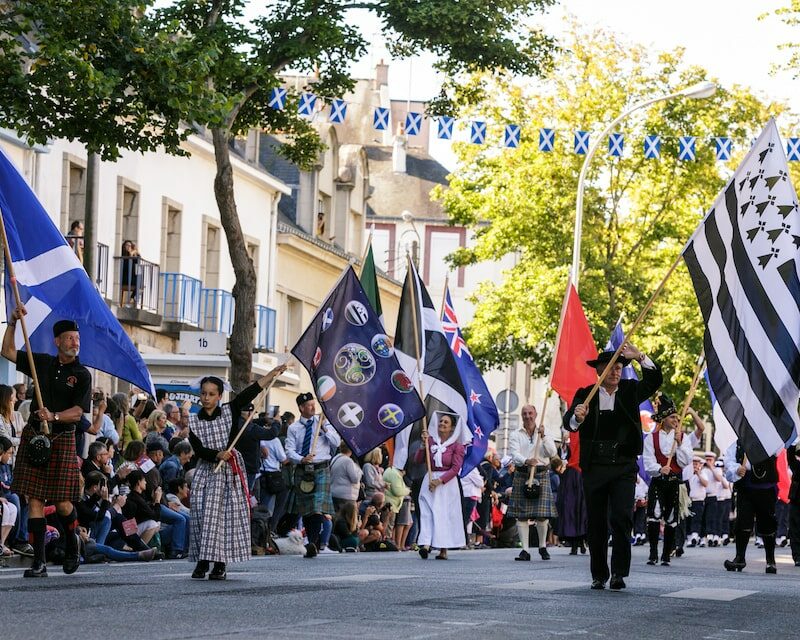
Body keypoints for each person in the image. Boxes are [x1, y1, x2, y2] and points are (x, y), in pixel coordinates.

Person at [563, 345, 662, 591]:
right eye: (611, 368)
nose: (616, 373)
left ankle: (618, 572)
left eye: (619, 368)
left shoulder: (630, 391)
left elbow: (654, 380)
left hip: (623, 466)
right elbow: (570, 424)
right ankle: (598, 574)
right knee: (596, 522)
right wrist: (578, 417)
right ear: (599, 371)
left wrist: (639, 356)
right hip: (595, 467)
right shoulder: (586, 394)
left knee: (621, 518)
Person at [1, 310, 92, 577]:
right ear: (57, 342)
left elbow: (78, 412)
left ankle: (72, 541)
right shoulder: (40, 363)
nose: (75, 342)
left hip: (62, 438)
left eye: (77, 338)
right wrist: (13, 322)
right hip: (36, 438)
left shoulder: (82, 374)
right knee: (35, 500)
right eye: (70, 338)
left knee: (64, 503)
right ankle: (38, 562)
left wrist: (53, 415)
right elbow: (6, 351)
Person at [187, 364, 286, 580]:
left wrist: (270, 375)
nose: (206, 398)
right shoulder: (194, 421)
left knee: (221, 518)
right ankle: (203, 560)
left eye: (211, 394)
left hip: (228, 473)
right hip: (207, 470)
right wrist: (216, 454)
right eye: (203, 393)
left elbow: (250, 392)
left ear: (220, 396)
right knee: (203, 516)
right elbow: (198, 449)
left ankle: (220, 564)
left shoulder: (230, 410)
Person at [285, 391, 341, 559]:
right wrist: (301, 459)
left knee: (317, 508)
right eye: (308, 405)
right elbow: (289, 450)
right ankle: (312, 541)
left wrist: (324, 428)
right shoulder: (293, 428)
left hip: (321, 468)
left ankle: (312, 542)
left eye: (313, 404)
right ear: (301, 408)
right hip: (304, 469)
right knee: (307, 509)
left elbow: (337, 442)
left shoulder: (323, 423)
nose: (312, 407)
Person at [642, 395, 693, 566]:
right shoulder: (651, 438)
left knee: (671, 518)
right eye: (672, 417)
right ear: (663, 419)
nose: (676, 420)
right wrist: (658, 469)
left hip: (674, 483)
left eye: (677, 417)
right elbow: (648, 461)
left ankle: (666, 554)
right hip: (658, 481)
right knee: (654, 516)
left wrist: (678, 445)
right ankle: (653, 553)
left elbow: (685, 461)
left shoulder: (682, 438)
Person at [508, 404, 557, 562]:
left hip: (541, 474)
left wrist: (543, 437)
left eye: (530, 413)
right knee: (522, 515)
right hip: (523, 473)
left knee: (542, 515)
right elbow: (514, 454)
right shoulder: (516, 434)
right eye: (524, 413)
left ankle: (542, 546)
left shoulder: (544, 432)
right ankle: (525, 550)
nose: (527, 416)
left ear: (535, 414)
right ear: (521, 416)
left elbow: (552, 452)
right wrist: (527, 460)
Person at [415, 412, 466, 560]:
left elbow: (456, 468)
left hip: (446, 484)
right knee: (426, 510)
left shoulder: (457, 446)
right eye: (441, 422)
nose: (442, 424)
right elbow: (418, 460)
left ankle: (443, 548)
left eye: (446, 423)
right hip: (430, 479)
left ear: (451, 428)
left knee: (443, 514)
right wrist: (422, 445)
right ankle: (425, 543)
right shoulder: (430, 441)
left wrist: (440, 481)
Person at [723, 442, 780, 574]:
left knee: (768, 524)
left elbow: (778, 448)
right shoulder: (738, 444)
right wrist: (736, 469)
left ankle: (770, 560)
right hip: (745, 488)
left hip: (766, 488)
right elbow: (729, 461)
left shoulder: (770, 440)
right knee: (742, 522)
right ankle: (740, 558)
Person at [383, 465, 412, 551]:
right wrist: (408, 490)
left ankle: (391, 543)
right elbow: (398, 491)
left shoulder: (390, 471)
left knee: (391, 524)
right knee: (390, 524)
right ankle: (387, 543)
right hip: (391, 503)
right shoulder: (395, 474)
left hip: (393, 503)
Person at [330, 441, 363, 512]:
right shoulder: (348, 461)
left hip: (334, 493)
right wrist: (359, 471)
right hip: (347, 495)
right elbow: (355, 479)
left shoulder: (335, 459)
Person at [686, 455, 708, 547]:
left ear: (700, 465)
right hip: (690, 501)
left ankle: (695, 537)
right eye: (693, 463)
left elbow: (705, 483)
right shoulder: (689, 475)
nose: (694, 465)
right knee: (690, 520)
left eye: (696, 464)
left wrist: (698, 474)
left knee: (697, 519)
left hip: (699, 500)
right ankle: (695, 537)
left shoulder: (703, 474)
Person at [786, 441, 800, 567]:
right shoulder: (797, 466)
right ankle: (797, 556)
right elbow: (789, 457)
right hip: (796, 501)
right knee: (795, 530)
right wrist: (792, 442)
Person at [119, 239, 140, 307]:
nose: (128, 247)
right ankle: (132, 299)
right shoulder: (123, 255)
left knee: (139, 281)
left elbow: (138, 261)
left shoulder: (131, 255)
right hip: (125, 277)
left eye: (130, 246)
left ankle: (131, 299)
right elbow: (126, 267)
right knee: (138, 282)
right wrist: (130, 256)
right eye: (127, 245)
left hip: (131, 277)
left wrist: (136, 252)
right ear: (124, 246)